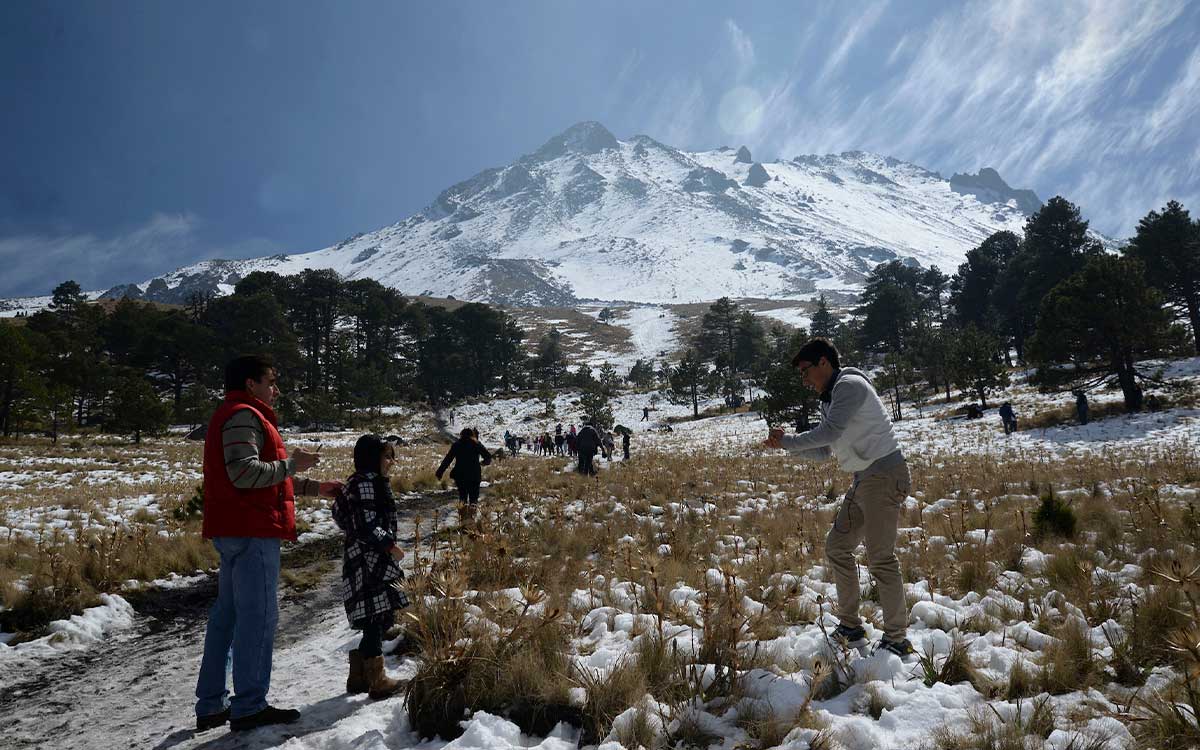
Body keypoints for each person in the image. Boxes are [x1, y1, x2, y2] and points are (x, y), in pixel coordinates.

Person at [195, 355, 341, 732]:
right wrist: (294, 464)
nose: (275, 389)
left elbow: (256, 477)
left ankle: (212, 704)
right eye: (270, 382)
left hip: (234, 529)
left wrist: (313, 488)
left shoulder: (235, 413)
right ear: (250, 384)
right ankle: (249, 705)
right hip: (253, 531)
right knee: (257, 618)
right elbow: (244, 473)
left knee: (227, 617)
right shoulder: (245, 415)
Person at [764, 338, 914, 657]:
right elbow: (822, 451)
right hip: (865, 479)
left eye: (806, 372)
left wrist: (789, 440)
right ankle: (850, 626)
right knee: (837, 547)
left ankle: (897, 639)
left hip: (884, 476)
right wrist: (785, 446)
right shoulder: (831, 397)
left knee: (881, 558)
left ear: (823, 363)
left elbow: (829, 434)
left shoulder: (849, 385)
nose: (804, 380)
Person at [334, 435, 409, 700]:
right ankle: (377, 681)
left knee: (374, 616)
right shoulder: (365, 483)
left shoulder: (359, 483)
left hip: (362, 556)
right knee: (376, 616)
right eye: (387, 456)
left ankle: (359, 676)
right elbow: (365, 523)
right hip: (371, 558)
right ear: (372, 457)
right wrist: (389, 545)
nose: (391, 462)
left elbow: (341, 516)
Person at [436, 428, 492, 516]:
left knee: (463, 498)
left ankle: (463, 520)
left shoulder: (457, 445)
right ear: (472, 435)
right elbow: (488, 457)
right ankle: (472, 521)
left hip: (460, 476)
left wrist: (440, 472)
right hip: (474, 476)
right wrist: (482, 463)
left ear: (461, 435)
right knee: (474, 500)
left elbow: (447, 460)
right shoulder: (476, 444)